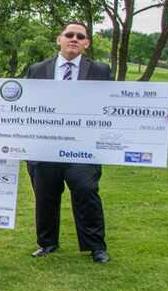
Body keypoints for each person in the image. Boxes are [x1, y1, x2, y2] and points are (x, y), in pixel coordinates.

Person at [24, 21, 112, 263]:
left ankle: (96, 247)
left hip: (83, 148)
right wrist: (2, 109)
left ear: (86, 43)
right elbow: (23, 104)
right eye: (69, 34)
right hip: (44, 146)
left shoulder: (100, 71)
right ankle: (47, 243)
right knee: (45, 195)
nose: (74, 38)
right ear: (59, 39)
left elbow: (116, 107)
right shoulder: (38, 69)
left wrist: (157, 115)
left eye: (80, 36)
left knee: (86, 190)